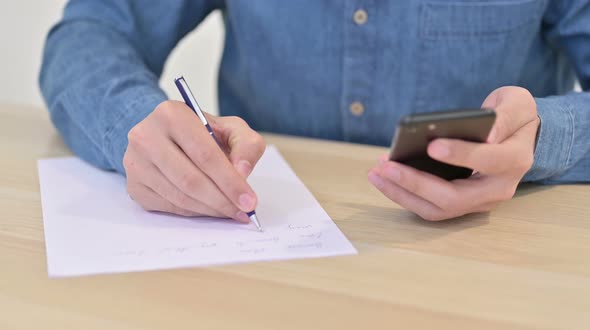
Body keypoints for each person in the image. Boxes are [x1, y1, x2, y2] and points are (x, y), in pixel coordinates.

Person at [39, 1, 589, 222]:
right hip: (259, 268)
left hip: (488, 263)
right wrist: (135, 119)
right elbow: (91, 32)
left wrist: (545, 136)